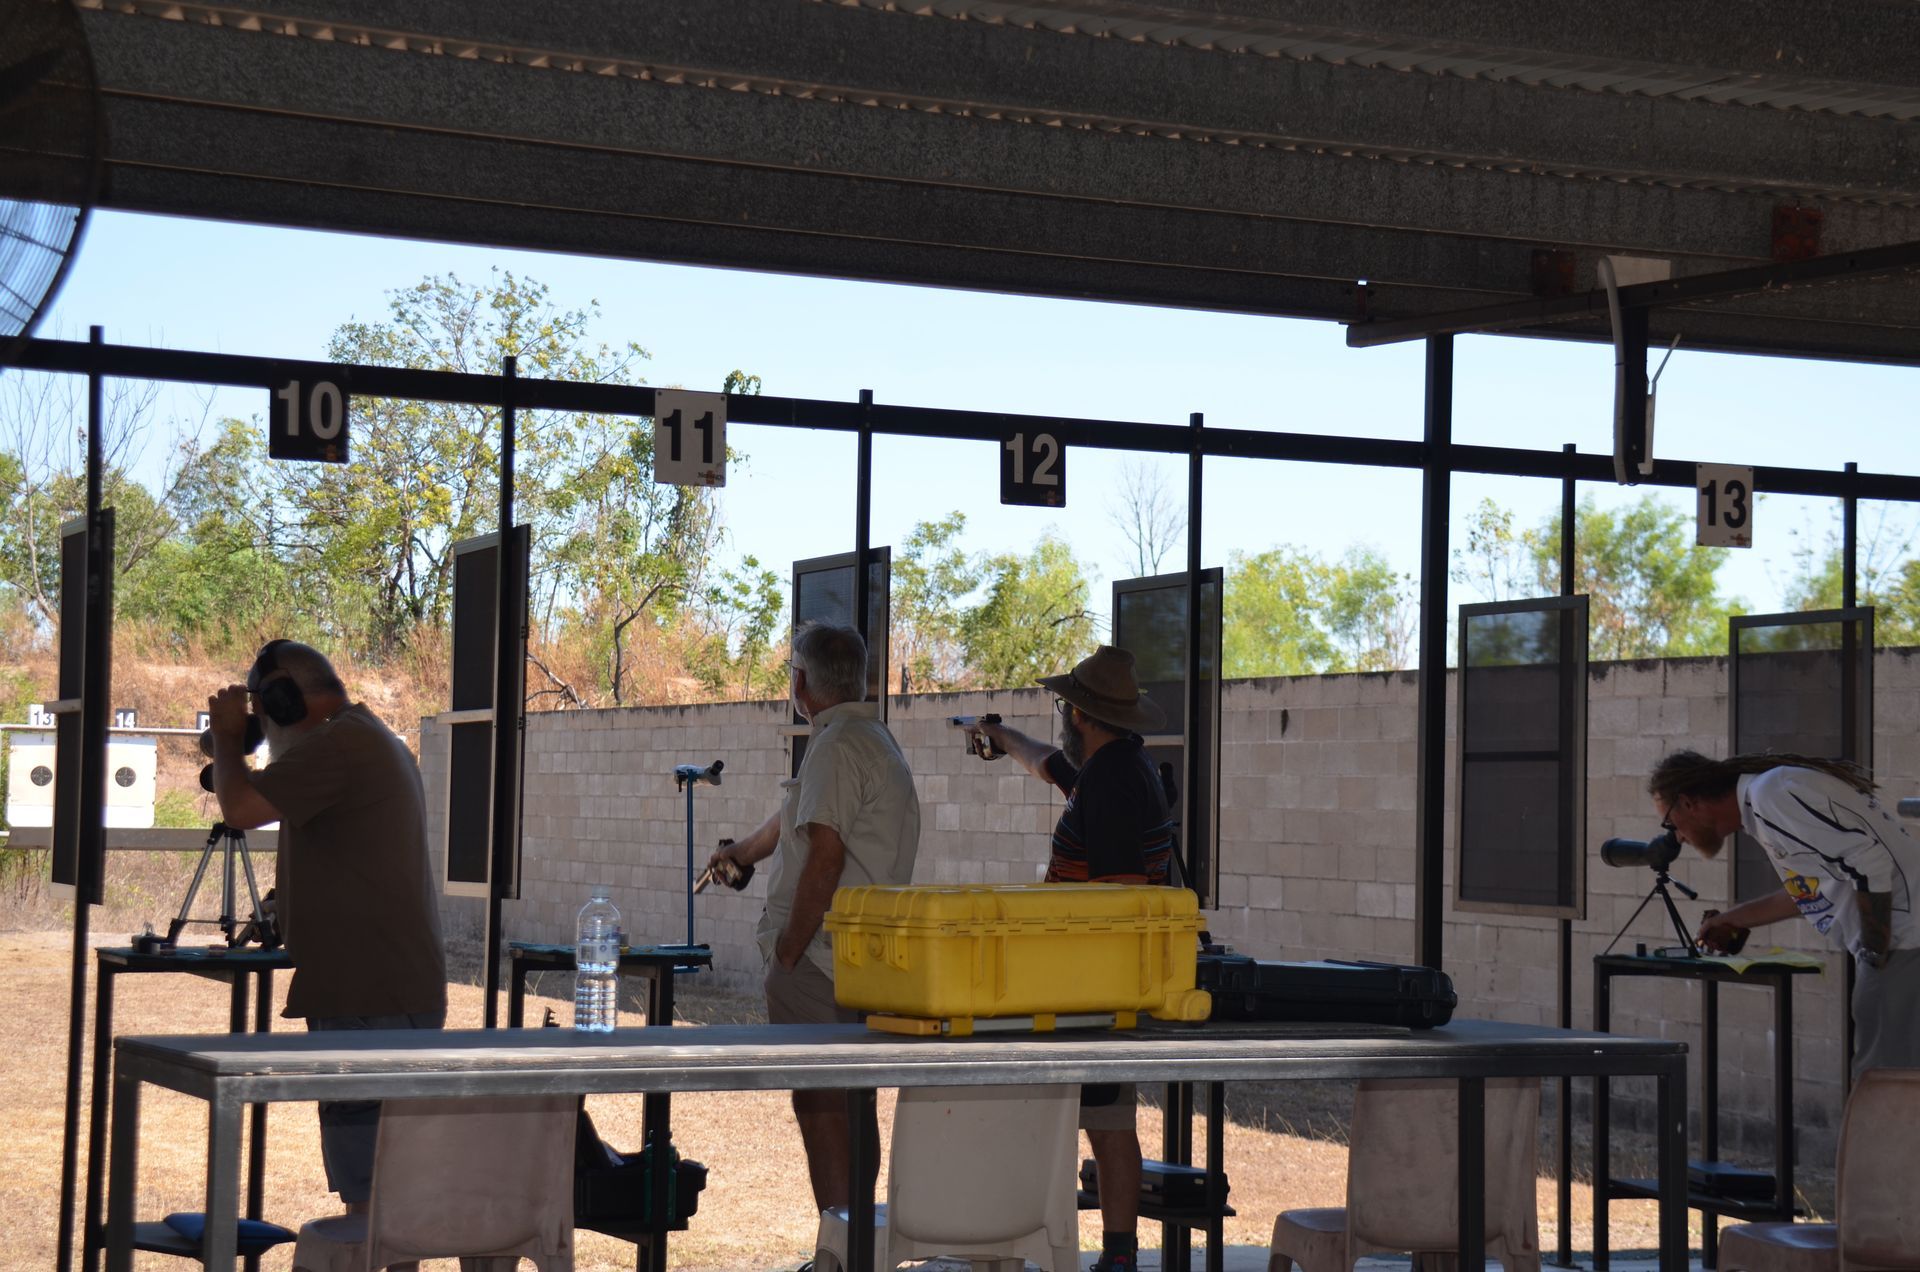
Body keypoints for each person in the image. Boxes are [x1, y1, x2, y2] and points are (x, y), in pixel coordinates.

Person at [205, 639, 448, 1211]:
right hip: (382, 991)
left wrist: (226, 739)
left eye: (265, 713)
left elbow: (238, 810)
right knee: (394, 1191)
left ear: (285, 701)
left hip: (370, 998)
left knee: (373, 1196)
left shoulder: (338, 745)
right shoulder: (361, 737)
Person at [964, 645, 1176, 1272]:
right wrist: (1003, 738)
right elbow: (1051, 765)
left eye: (1064, 708)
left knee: (1072, 1122)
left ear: (1081, 714)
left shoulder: (1110, 783)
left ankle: (1042, 1250)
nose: (1061, 719)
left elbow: (1121, 893)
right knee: (1110, 1118)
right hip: (1100, 984)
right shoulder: (1120, 768)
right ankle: (1116, 1255)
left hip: (1083, 985)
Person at [705, 622, 920, 1217]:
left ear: (800, 681)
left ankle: (838, 1237)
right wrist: (739, 854)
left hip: (821, 959)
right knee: (853, 1102)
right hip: (864, 961)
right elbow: (794, 817)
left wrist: (788, 955)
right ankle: (854, 1240)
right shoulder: (868, 738)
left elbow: (825, 856)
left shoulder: (834, 746)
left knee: (822, 1103)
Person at [1649, 749, 1919, 1079]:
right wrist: (1731, 919)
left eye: (1670, 823)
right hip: (1902, 940)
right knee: (1895, 1075)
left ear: (1689, 803)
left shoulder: (1772, 796)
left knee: (1883, 1080)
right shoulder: (1765, 801)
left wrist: (1875, 950)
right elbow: (1808, 894)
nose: (1676, 836)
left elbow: (1870, 863)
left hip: (1905, 940)